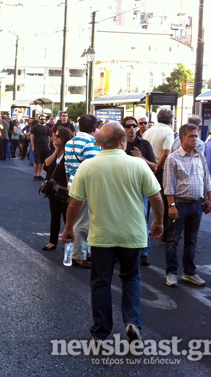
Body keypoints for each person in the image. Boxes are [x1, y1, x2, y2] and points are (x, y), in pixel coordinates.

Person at [61, 122, 163, 343]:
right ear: (122, 141)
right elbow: (156, 197)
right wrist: (158, 222)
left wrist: (68, 228)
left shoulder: (87, 166)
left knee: (101, 282)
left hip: (102, 236)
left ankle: (100, 331)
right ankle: (132, 322)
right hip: (132, 235)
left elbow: (75, 203)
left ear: (99, 142)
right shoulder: (137, 164)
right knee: (131, 278)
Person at [163, 123, 211, 287]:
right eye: (191, 136)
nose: (195, 139)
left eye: (196, 136)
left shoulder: (200, 156)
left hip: (196, 205)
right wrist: (171, 205)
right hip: (180, 204)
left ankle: (189, 272)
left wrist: (209, 198)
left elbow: (206, 178)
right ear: (182, 138)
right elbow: (168, 185)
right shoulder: (173, 158)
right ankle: (171, 272)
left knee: (191, 241)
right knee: (173, 240)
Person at [64, 114, 100, 269]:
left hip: (73, 182)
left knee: (78, 219)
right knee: (83, 222)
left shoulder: (70, 142)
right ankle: (79, 255)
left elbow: (67, 167)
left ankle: (82, 251)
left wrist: (70, 183)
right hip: (86, 185)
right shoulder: (91, 142)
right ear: (95, 127)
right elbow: (93, 167)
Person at [122, 117, 157, 266]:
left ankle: (144, 252)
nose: (132, 128)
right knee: (122, 219)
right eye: (128, 126)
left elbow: (154, 166)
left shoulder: (144, 144)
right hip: (122, 187)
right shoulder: (120, 145)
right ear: (123, 128)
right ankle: (122, 250)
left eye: (134, 125)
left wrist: (141, 158)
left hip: (140, 187)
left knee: (142, 219)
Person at [143, 109, 175, 240]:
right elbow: (166, 153)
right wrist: (157, 167)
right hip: (159, 168)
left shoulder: (148, 131)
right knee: (162, 200)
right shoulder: (168, 131)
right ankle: (163, 230)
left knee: (145, 199)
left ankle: (144, 227)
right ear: (171, 120)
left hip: (145, 166)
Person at [42, 127, 73, 250]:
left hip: (64, 191)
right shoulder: (55, 152)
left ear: (65, 138)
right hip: (53, 191)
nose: (55, 138)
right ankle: (52, 241)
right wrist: (56, 151)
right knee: (54, 216)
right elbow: (47, 163)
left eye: (58, 136)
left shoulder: (69, 154)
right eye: (55, 136)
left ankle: (70, 243)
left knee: (67, 218)